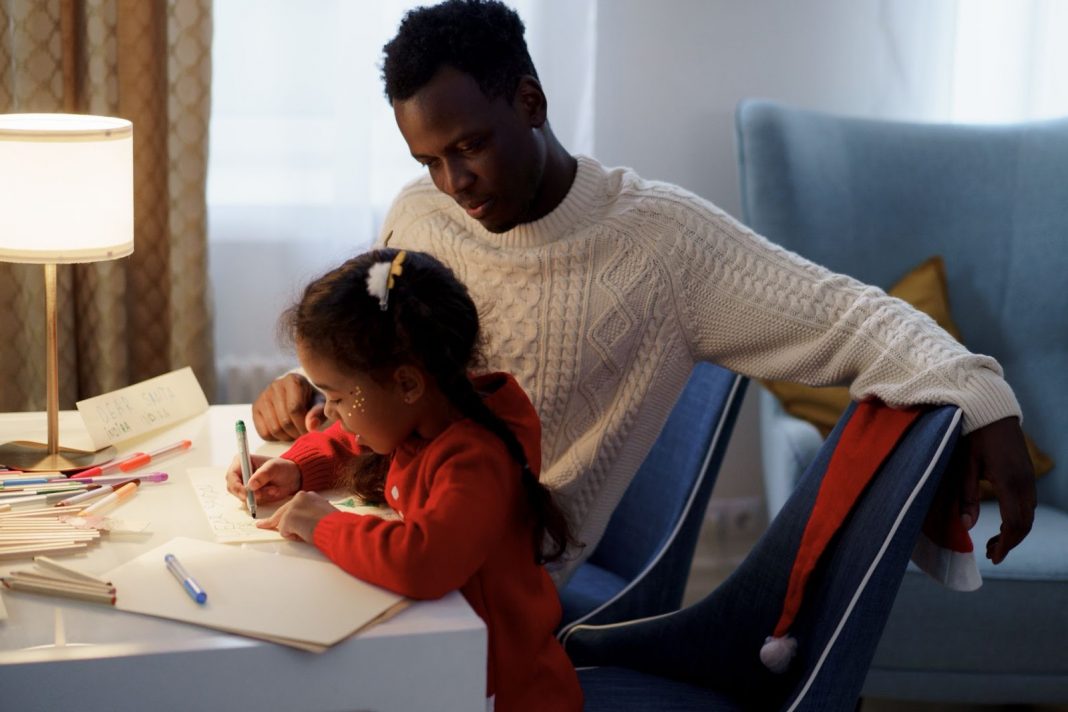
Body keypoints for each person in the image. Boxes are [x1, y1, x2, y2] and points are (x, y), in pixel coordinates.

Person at [251, 0, 1035, 581]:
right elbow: (398, 385)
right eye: (430, 160)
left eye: (470, 147)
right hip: (385, 525)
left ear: (530, 101)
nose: (454, 183)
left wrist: (979, 392)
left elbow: (847, 316)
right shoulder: (419, 215)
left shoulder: (663, 244)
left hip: (493, 588)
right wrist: (322, 392)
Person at [228, 247, 583, 712]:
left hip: (500, 689)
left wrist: (323, 525)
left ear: (407, 384)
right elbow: (350, 441)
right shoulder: (423, 413)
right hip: (442, 659)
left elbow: (423, 561)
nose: (327, 413)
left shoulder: (475, 459)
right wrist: (297, 468)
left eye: (335, 397)